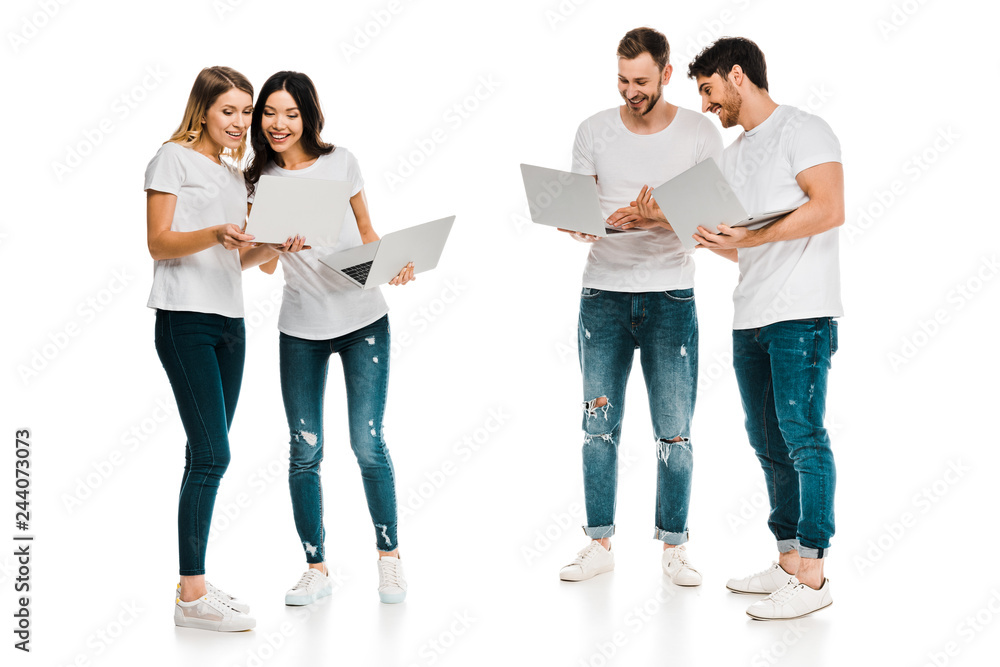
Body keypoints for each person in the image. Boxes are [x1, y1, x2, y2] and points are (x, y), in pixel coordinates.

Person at [684, 37, 844, 619]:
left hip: (801, 312)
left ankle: (816, 573)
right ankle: (787, 563)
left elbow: (829, 207)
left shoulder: (806, 129)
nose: (706, 105)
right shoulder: (732, 157)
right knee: (766, 441)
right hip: (750, 315)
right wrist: (708, 238)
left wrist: (747, 237)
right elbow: (745, 249)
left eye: (708, 90)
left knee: (803, 436)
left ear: (737, 76)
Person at [556, 27, 722, 585]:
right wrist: (576, 223)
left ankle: (674, 547)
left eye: (643, 82)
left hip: (671, 296)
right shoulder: (593, 130)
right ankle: (598, 541)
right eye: (624, 80)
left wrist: (657, 216)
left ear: (667, 76)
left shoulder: (699, 132)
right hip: (602, 293)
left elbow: (712, 229)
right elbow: (580, 208)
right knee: (597, 426)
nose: (631, 91)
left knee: (674, 430)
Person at [246, 71, 414, 606]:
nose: (279, 123)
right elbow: (255, 264)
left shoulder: (342, 161)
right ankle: (315, 567)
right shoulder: (256, 180)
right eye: (270, 113)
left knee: (367, 442)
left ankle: (389, 559)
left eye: (290, 114)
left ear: (308, 116)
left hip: (363, 320)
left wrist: (393, 264)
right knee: (304, 449)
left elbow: (367, 232)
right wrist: (274, 244)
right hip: (301, 329)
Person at [146, 66, 300, 632]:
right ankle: (191, 597)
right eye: (228, 110)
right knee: (214, 455)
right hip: (184, 319)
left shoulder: (236, 177)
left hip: (229, 323)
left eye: (245, 111)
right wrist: (215, 232)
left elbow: (233, 261)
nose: (239, 122)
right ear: (203, 109)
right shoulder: (172, 157)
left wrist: (270, 247)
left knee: (204, 455)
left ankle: (195, 587)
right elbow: (158, 242)